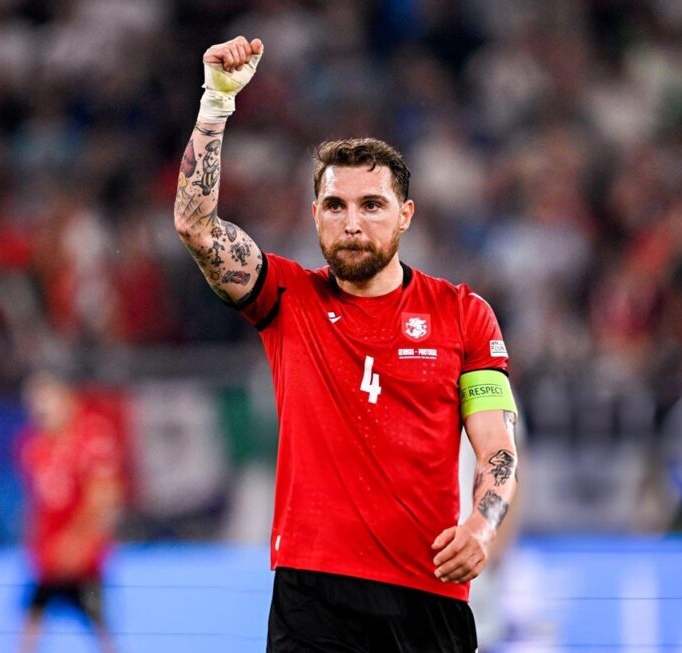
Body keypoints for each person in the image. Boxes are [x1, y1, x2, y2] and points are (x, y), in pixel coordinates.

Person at [174, 37, 520, 652]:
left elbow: (497, 447)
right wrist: (216, 103)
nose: (352, 222)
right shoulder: (286, 297)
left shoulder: (465, 315)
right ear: (315, 215)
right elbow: (195, 225)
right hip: (313, 594)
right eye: (335, 205)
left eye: (371, 205)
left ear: (406, 214)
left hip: (427, 591)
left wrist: (483, 526)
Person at [17, 371, 122, 653]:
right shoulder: (33, 446)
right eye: (34, 404)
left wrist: (79, 542)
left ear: (66, 399)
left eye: (46, 401)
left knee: (99, 622)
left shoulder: (92, 437)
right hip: (49, 556)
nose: (40, 410)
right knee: (31, 619)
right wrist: (34, 542)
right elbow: (36, 502)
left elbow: (104, 498)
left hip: (82, 558)